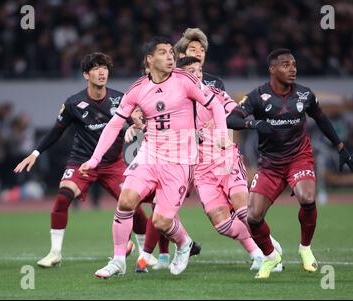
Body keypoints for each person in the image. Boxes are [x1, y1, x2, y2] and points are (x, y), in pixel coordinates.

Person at [79, 36, 230, 278]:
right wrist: (94, 160)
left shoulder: (186, 80)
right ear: (150, 59)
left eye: (172, 52)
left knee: (161, 222)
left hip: (180, 159)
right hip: (150, 154)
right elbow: (114, 125)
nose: (171, 56)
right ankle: (118, 260)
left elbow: (216, 105)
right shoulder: (138, 89)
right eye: (163, 52)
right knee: (126, 200)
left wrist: (222, 133)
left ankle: (184, 243)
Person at [132, 56, 283, 272]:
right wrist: (139, 127)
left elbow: (237, 112)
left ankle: (268, 252)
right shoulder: (172, 102)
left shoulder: (215, 95)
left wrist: (245, 122)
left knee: (243, 210)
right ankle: (261, 248)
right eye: (191, 70)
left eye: (199, 70)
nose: (197, 74)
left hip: (225, 161)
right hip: (200, 170)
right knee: (222, 224)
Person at [227, 48, 353, 279]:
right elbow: (232, 118)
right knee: (253, 217)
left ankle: (305, 248)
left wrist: (340, 146)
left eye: (294, 64)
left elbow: (322, 118)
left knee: (307, 198)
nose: (292, 69)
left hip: (299, 158)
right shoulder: (258, 96)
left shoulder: (305, 95)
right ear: (272, 70)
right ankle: (271, 256)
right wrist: (253, 125)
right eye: (285, 65)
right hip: (270, 165)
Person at [14, 52, 151, 268]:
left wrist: (135, 126)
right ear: (86, 74)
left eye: (104, 67)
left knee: (133, 207)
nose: (101, 72)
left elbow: (138, 120)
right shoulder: (73, 103)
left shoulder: (120, 99)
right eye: (96, 68)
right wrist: (35, 153)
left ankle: (144, 254)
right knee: (63, 197)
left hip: (113, 164)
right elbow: (55, 132)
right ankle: (55, 253)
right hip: (82, 162)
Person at [140, 27, 226, 270]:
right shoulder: (173, 80)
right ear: (180, 54)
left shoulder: (215, 83)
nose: (197, 54)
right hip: (177, 151)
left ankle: (262, 249)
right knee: (160, 203)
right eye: (192, 50)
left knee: (233, 204)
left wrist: (221, 134)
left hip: (210, 153)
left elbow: (226, 111)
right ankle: (155, 255)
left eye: (201, 51)